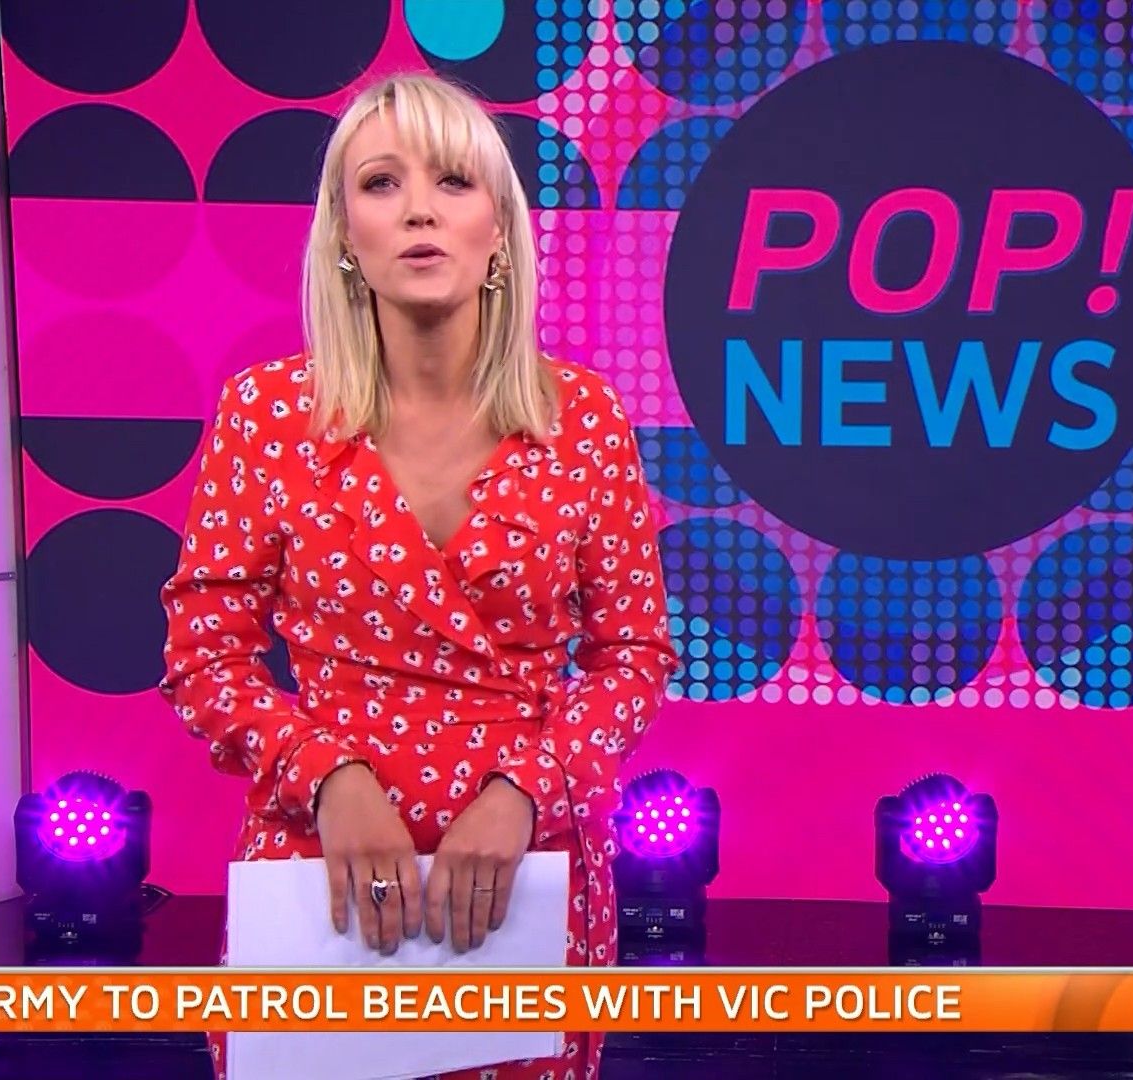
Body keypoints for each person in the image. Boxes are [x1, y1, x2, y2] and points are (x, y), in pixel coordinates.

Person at [159, 72, 679, 1080]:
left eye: (452, 181)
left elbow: (634, 655)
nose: (419, 211)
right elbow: (204, 656)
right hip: (320, 866)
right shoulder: (266, 415)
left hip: (525, 876)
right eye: (382, 183)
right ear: (344, 235)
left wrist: (527, 789)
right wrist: (328, 779)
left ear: (499, 228)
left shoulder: (585, 419)